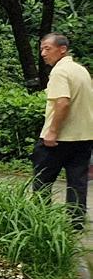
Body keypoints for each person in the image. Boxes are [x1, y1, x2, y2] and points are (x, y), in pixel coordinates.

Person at [32, 32, 93, 227]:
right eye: (41, 49)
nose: (43, 53)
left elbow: (63, 102)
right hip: (83, 137)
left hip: (58, 139)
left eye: (47, 48)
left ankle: (40, 220)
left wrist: (52, 132)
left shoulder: (59, 71)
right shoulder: (81, 70)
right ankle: (76, 223)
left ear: (62, 49)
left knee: (42, 180)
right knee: (77, 182)